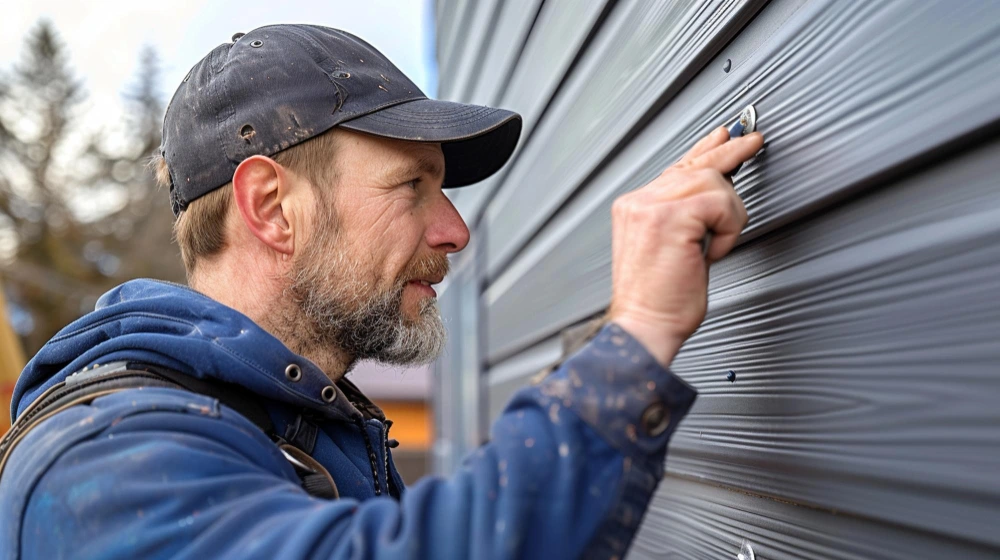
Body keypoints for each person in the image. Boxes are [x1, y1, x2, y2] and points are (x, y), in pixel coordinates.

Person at [0, 24, 762, 559]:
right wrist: (635, 342)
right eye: (411, 185)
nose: (456, 230)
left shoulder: (295, 420)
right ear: (270, 207)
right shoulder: (104, 464)